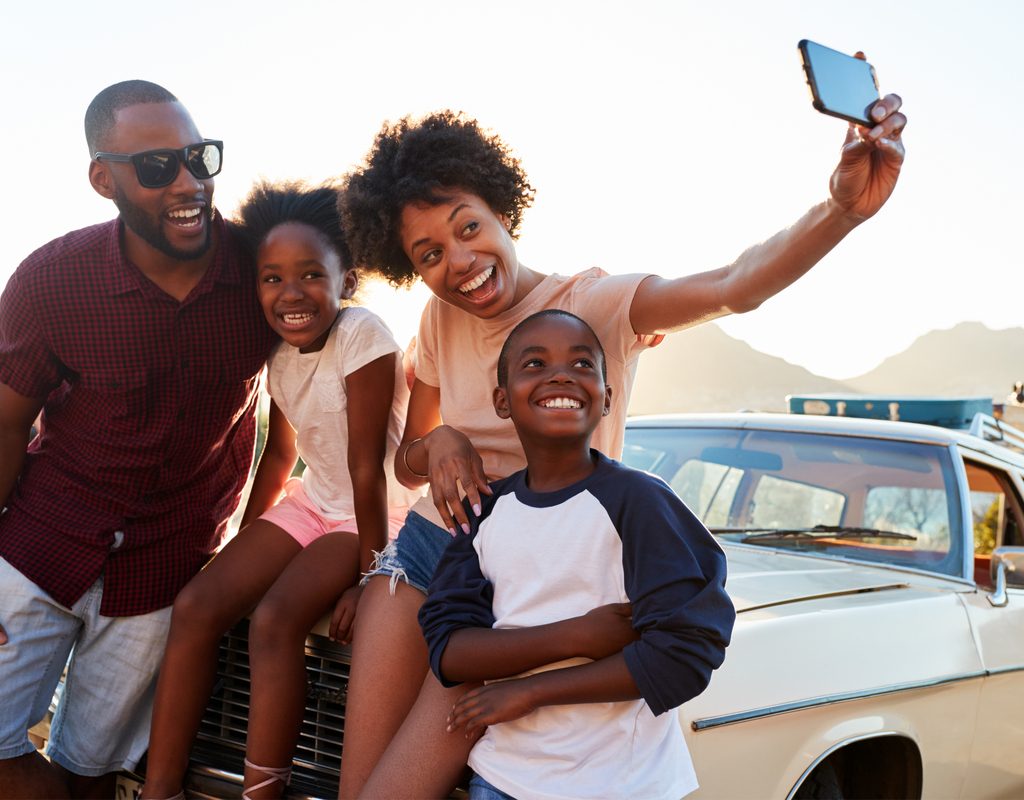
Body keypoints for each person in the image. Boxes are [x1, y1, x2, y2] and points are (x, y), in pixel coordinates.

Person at [336, 93, 906, 798]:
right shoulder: (437, 318)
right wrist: (441, 441)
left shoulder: (593, 304)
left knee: (398, 787)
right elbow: (408, 456)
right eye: (429, 254)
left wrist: (842, 210)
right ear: (411, 268)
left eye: (469, 228)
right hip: (424, 550)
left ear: (502, 210)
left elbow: (736, 286)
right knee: (355, 784)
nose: (460, 261)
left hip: (520, 590)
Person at [0, 81, 277, 799]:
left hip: (167, 565)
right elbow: (4, 420)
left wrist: (249, 548)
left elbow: (319, 406)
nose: (189, 183)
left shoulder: (263, 275)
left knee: (93, 768)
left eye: (200, 158)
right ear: (104, 179)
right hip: (38, 543)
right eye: (158, 167)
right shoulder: (52, 279)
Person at [140, 181, 421, 800]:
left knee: (274, 621)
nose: (290, 293)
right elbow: (283, 451)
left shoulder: (363, 335)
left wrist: (373, 578)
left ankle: (261, 792)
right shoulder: (278, 350)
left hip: (373, 515)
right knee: (197, 605)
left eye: (310, 274)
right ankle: (159, 789)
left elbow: (368, 468)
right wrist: (244, 548)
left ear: (345, 279)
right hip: (313, 502)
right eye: (271, 278)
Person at [418, 309, 734, 799]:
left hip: (623, 784)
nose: (561, 374)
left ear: (606, 398)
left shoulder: (640, 502)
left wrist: (530, 690)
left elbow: (686, 654)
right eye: (535, 364)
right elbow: (449, 649)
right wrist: (575, 635)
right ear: (502, 400)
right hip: (503, 779)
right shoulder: (484, 512)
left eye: (583, 364)